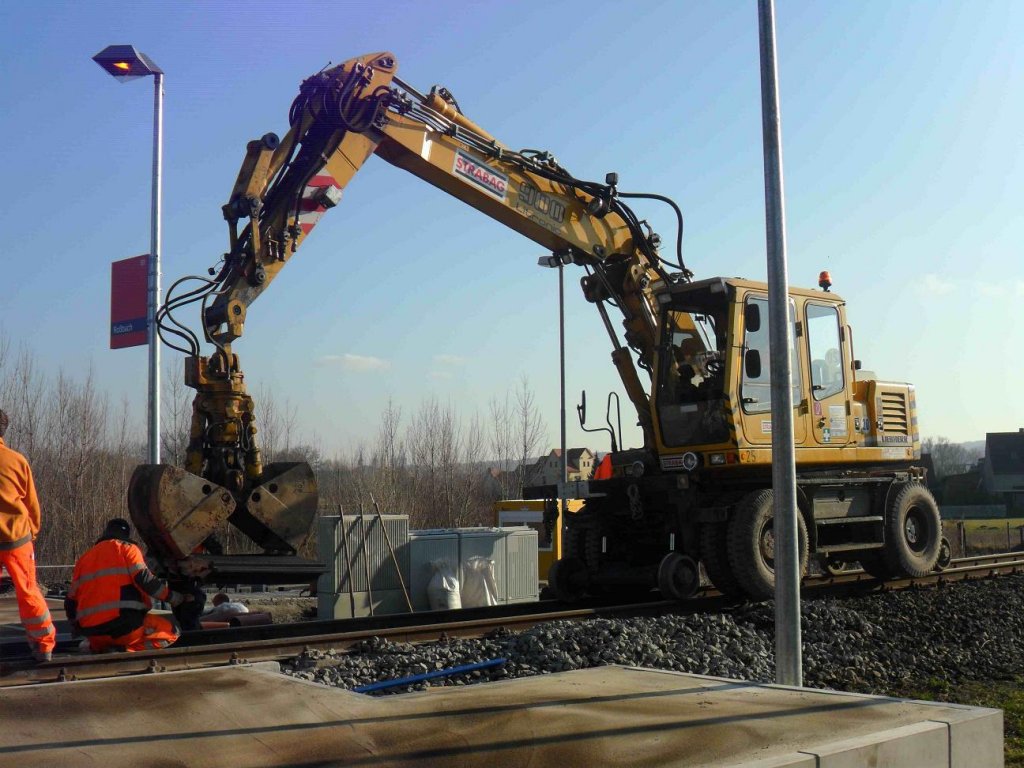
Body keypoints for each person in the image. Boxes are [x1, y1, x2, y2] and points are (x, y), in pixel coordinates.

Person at [65, 518, 192, 653]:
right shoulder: (128, 548)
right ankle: (126, 649)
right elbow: (146, 581)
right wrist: (176, 598)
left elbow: (70, 602)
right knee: (172, 632)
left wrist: (76, 628)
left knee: (100, 641)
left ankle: (97, 647)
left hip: (94, 636)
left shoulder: (84, 559)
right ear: (126, 535)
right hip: (125, 629)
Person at [0, 408, 57, 662]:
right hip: (17, 539)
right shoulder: (16, 460)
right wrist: (31, 532)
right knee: (28, 591)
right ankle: (44, 645)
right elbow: (32, 504)